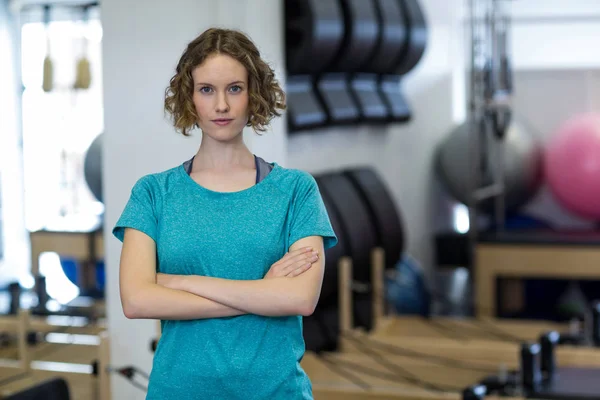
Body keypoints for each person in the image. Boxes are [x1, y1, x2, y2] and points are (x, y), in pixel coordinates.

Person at [112, 27, 338, 399]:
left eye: (234, 88)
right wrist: (263, 292)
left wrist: (178, 281)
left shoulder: (295, 190)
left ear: (254, 95)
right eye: (206, 90)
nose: (221, 105)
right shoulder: (153, 193)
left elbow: (299, 298)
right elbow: (137, 301)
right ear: (189, 97)